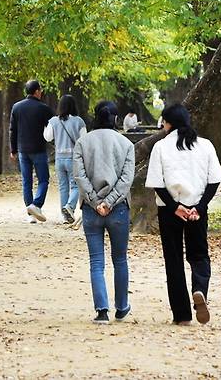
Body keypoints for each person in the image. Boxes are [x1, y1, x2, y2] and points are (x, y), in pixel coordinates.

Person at [145, 103, 221, 326]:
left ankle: (181, 315)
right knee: (199, 255)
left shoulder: (161, 147)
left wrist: (174, 206)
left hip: (169, 210)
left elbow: (157, 183)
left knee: (174, 260)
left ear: (168, 123)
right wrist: (199, 207)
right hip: (197, 209)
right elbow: (214, 180)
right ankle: (199, 289)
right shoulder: (205, 145)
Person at [73, 100, 135, 324]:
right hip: (118, 209)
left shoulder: (82, 143)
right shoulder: (126, 143)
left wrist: (95, 201)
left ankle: (101, 310)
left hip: (91, 210)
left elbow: (79, 176)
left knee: (96, 261)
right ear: (116, 119)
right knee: (120, 259)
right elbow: (127, 179)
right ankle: (122, 306)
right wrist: (109, 202)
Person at [9, 79, 54, 222]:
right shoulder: (44, 108)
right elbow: (53, 126)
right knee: (43, 179)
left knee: (26, 181)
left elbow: (12, 130)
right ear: (36, 91)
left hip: (23, 149)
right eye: (40, 90)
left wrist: (13, 149)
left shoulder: (17, 107)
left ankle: (30, 213)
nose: (41, 92)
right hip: (39, 149)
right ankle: (36, 205)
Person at [44, 94, 86, 223]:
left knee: (63, 187)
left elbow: (47, 137)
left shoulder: (54, 121)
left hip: (59, 158)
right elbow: (84, 140)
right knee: (76, 185)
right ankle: (69, 207)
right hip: (73, 158)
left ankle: (65, 216)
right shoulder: (78, 121)